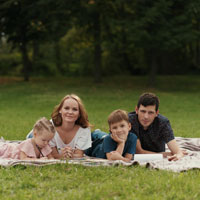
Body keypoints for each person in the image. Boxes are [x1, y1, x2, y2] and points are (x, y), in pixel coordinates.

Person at [27, 94, 92, 159]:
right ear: (60, 110)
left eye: (74, 109)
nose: (70, 112)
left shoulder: (84, 129)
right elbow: (53, 155)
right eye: (66, 108)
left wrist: (70, 155)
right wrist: (62, 156)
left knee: (96, 137)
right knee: (32, 145)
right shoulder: (50, 127)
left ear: (79, 114)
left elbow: (79, 155)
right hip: (39, 134)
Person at [128, 92, 185, 161]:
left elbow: (177, 152)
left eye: (150, 112)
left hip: (157, 152)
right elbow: (139, 152)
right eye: (143, 111)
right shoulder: (130, 121)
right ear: (136, 110)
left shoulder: (163, 122)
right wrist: (165, 154)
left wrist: (178, 155)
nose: (146, 117)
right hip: (155, 154)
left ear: (156, 113)